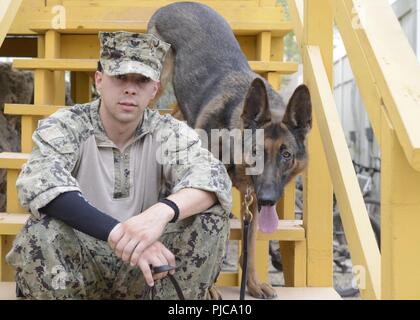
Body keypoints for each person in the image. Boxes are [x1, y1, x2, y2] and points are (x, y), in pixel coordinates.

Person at [6, 31, 232, 300]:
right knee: (40, 232)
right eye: (120, 77)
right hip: (83, 258)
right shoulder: (68, 124)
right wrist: (118, 234)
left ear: (154, 90)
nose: (130, 88)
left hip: (144, 266)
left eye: (141, 80)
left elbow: (213, 179)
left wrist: (161, 213)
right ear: (99, 80)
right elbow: (41, 185)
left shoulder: (167, 132)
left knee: (210, 217)